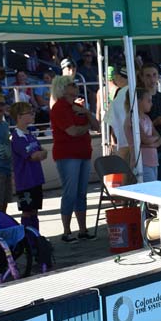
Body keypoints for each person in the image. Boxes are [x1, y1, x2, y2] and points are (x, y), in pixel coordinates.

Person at [50, 76, 100, 242]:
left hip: (83, 153)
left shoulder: (78, 107)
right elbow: (72, 131)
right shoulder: (59, 108)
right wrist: (86, 127)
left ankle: (83, 229)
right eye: (70, 85)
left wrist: (86, 112)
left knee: (81, 193)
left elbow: (97, 126)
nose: (74, 87)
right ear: (62, 89)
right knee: (70, 192)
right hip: (67, 155)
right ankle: (66, 230)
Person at [10, 102, 47, 231]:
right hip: (25, 181)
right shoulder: (17, 137)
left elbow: (43, 152)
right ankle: (28, 239)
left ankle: (36, 237)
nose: (33, 114)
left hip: (36, 179)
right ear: (19, 116)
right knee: (27, 212)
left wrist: (40, 153)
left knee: (35, 211)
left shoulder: (30, 134)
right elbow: (34, 155)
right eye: (29, 113)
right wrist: (40, 153)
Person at [141, 62, 161, 181]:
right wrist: (155, 122)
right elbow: (138, 124)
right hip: (148, 148)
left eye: (154, 75)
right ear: (142, 77)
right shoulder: (140, 98)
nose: (152, 79)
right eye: (148, 76)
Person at [124, 87, 161, 182]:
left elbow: (160, 140)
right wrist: (153, 140)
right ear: (139, 101)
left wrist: (151, 143)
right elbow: (145, 139)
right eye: (148, 101)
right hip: (141, 162)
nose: (151, 104)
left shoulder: (147, 118)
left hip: (153, 162)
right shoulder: (132, 118)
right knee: (150, 193)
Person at [103, 66, 130, 163]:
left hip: (124, 143)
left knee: (123, 174)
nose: (115, 80)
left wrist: (111, 140)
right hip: (135, 142)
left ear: (120, 77)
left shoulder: (122, 93)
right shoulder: (124, 92)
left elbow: (109, 120)